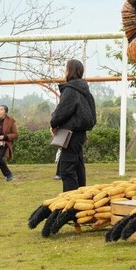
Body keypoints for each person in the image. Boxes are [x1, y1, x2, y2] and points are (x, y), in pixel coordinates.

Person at [50, 59, 97, 192]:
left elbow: (62, 111)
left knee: (67, 169)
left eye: (66, 69)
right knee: (78, 166)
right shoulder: (85, 90)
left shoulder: (71, 89)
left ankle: (70, 199)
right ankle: (82, 195)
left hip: (70, 133)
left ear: (69, 71)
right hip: (80, 133)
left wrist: (53, 123)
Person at [0, 105, 18, 181]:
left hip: (3, 144)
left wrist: (5, 136)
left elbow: (15, 134)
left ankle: (9, 175)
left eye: (1, 109)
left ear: (5, 112)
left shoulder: (10, 121)